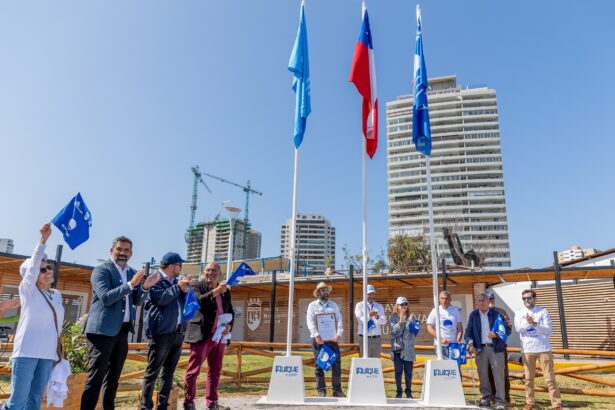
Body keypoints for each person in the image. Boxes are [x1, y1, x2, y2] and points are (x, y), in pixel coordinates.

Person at [81, 236, 160, 410]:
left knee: (113, 378)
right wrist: (131, 284)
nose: (122, 253)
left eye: (126, 250)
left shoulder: (132, 272)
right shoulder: (102, 270)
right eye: (119, 249)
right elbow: (106, 298)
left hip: (122, 331)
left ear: (131, 253)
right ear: (111, 251)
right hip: (101, 331)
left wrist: (145, 287)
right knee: (96, 377)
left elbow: (137, 301)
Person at [5, 223, 64, 410]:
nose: (48, 272)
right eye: (42, 269)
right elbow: (30, 273)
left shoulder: (57, 295)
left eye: (49, 268)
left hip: (47, 355)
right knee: (18, 403)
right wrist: (43, 241)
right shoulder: (28, 291)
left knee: (35, 401)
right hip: (26, 353)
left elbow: (58, 327)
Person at [140, 252, 192, 410]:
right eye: (179, 265)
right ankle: (146, 406)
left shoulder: (176, 282)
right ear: (171, 266)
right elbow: (161, 299)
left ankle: (163, 406)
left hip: (177, 333)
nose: (180, 268)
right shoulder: (155, 280)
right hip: (161, 333)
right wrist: (178, 287)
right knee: (153, 372)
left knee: (168, 373)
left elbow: (182, 305)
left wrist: (184, 291)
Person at [183, 262, 233, 410]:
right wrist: (216, 291)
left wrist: (230, 326)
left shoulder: (226, 291)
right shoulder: (196, 285)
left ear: (220, 273)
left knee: (215, 370)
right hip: (202, 334)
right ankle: (188, 402)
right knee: (194, 370)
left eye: (213, 270)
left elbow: (229, 310)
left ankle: (212, 403)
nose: (210, 273)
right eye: (207, 270)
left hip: (220, 336)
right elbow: (198, 301)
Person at [514, 289, 562, 410]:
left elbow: (549, 331)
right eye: (524, 299)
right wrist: (528, 323)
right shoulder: (519, 312)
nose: (526, 301)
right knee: (529, 378)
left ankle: (556, 404)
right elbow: (518, 329)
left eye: (529, 298)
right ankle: (529, 402)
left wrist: (535, 324)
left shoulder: (543, 311)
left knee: (550, 378)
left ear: (535, 298)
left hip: (543, 349)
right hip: (527, 349)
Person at [465, 293, 511, 409]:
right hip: (480, 349)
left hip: (496, 348)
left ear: (488, 302)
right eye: (479, 301)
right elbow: (468, 332)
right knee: (483, 376)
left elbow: (507, 329)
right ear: (477, 302)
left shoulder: (497, 314)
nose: (482, 302)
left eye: (484, 300)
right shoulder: (473, 315)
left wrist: (496, 334)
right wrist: (470, 343)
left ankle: (500, 401)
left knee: (498, 376)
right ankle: (485, 399)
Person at [306, 282, 344, 398]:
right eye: (323, 290)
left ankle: (337, 390)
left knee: (336, 364)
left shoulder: (334, 305)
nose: (326, 292)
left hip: (332, 340)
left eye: (327, 290)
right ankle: (321, 390)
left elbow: (339, 320)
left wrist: (339, 334)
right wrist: (317, 335)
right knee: (319, 365)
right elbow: (310, 321)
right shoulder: (312, 306)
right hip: (318, 340)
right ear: (318, 293)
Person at [486, 291, 512, 404]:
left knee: (502, 373)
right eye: (488, 299)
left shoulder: (501, 312)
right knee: (488, 373)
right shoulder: (479, 313)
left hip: (500, 347)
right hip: (486, 347)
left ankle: (505, 397)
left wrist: (497, 334)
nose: (490, 301)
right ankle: (491, 396)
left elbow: (508, 329)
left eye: (491, 299)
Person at [389, 296, 417, 399]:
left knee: (409, 373)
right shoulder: (393, 317)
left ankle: (409, 392)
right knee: (398, 372)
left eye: (406, 304)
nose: (404, 306)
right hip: (398, 350)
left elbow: (416, 332)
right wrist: (400, 322)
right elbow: (393, 333)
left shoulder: (412, 316)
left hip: (409, 350)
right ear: (397, 306)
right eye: (402, 304)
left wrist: (410, 322)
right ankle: (399, 392)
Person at [426, 291, 463, 361]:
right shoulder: (435, 310)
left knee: (455, 368)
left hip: (454, 345)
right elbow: (429, 327)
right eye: (442, 298)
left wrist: (458, 339)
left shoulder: (455, 311)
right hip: (441, 346)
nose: (444, 301)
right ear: (439, 299)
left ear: (450, 300)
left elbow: (460, 328)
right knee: (443, 368)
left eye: (446, 298)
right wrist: (440, 338)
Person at [354, 284, 386, 358]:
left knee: (376, 362)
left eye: (373, 293)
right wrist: (369, 315)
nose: (371, 295)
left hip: (377, 339)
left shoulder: (379, 306)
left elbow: (384, 322)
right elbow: (361, 320)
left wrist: (377, 317)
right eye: (369, 294)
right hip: (364, 338)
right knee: (365, 362)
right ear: (364, 294)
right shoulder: (359, 305)